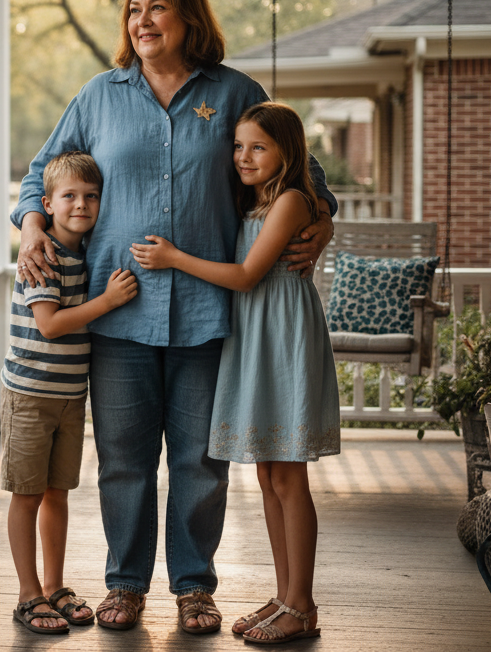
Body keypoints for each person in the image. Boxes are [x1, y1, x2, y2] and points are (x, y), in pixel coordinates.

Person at [12, 0, 337, 634]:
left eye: (157, 8)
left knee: (200, 462)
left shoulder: (235, 91)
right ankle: (126, 585)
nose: (143, 21)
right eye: (134, 10)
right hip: (119, 311)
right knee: (125, 461)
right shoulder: (99, 96)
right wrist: (33, 226)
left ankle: (194, 587)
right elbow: (38, 178)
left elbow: (299, 165)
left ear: (189, 16)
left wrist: (323, 218)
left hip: (207, 313)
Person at [130, 102, 337, 644]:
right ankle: (284, 595)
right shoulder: (257, 199)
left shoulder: (292, 200)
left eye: (258, 147)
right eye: (239, 146)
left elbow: (246, 276)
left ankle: (303, 604)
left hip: (282, 341)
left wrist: (174, 258)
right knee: (269, 476)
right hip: (257, 339)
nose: (244, 157)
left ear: (287, 153)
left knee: (289, 477)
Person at [2, 151, 139, 635]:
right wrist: (108, 301)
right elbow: (51, 324)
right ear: (47, 203)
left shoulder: (86, 254)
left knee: (57, 493)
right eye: (69, 196)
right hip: (31, 395)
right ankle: (27, 593)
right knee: (27, 495)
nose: (81, 204)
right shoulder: (41, 256)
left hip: (69, 396)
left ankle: (55, 587)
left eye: (91, 196)